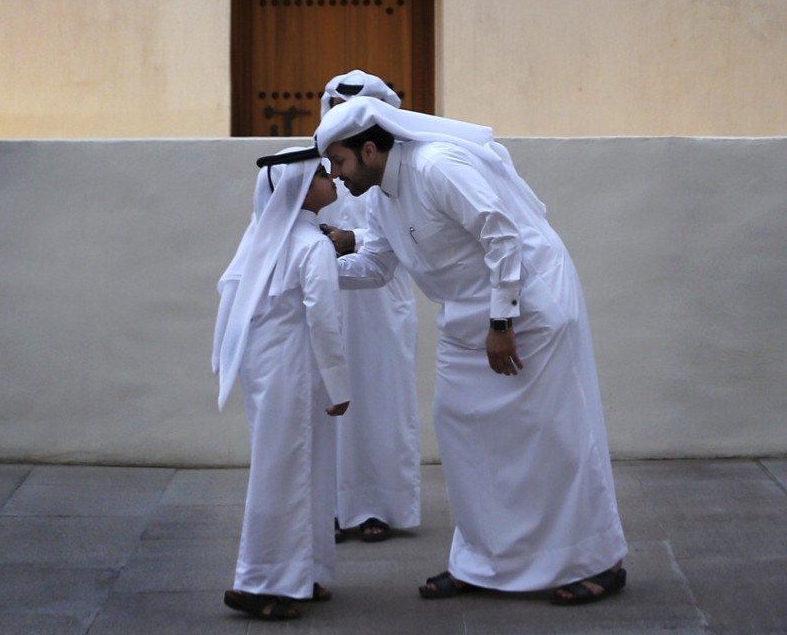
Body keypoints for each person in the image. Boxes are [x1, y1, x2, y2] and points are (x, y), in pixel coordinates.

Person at [314, 97, 628, 605]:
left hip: (527, 305)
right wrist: (309, 269)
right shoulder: (380, 198)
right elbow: (375, 266)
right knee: (460, 423)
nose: (337, 175)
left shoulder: (437, 166)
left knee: (553, 433)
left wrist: (502, 319)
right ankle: (482, 562)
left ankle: (600, 560)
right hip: (465, 316)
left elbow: (502, 234)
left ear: (370, 150)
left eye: (340, 162)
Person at [212, 148, 351, 621]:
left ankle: (302, 573)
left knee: (302, 466)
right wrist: (339, 384)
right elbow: (325, 321)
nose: (331, 177)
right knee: (284, 470)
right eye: (319, 174)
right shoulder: (311, 245)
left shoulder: (266, 236)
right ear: (299, 189)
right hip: (293, 367)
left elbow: (231, 294)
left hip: (268, 365)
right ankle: (259, 581)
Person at [318, 70, 421, 543]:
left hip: (382, 300)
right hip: (333, 301)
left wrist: (350, 239)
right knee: (334, 401)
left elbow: (393, 240)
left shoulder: (392, 171)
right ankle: (336, 507)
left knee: (383, 404)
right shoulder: (325, 171)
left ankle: (380, 507)